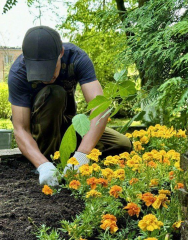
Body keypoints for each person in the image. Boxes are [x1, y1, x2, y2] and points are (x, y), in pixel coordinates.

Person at [8, 26, 132, 186]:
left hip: (66, 125)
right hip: (39, 134)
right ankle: (49, 162)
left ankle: (69, 158)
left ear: (61, 53)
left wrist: (81, 156)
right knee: (54, 92)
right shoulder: (18, 72)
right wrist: (42, 165)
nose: (46, 77)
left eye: (50, 68)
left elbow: (100, 108)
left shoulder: (77, 58)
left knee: (121, 144)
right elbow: (21, 129)